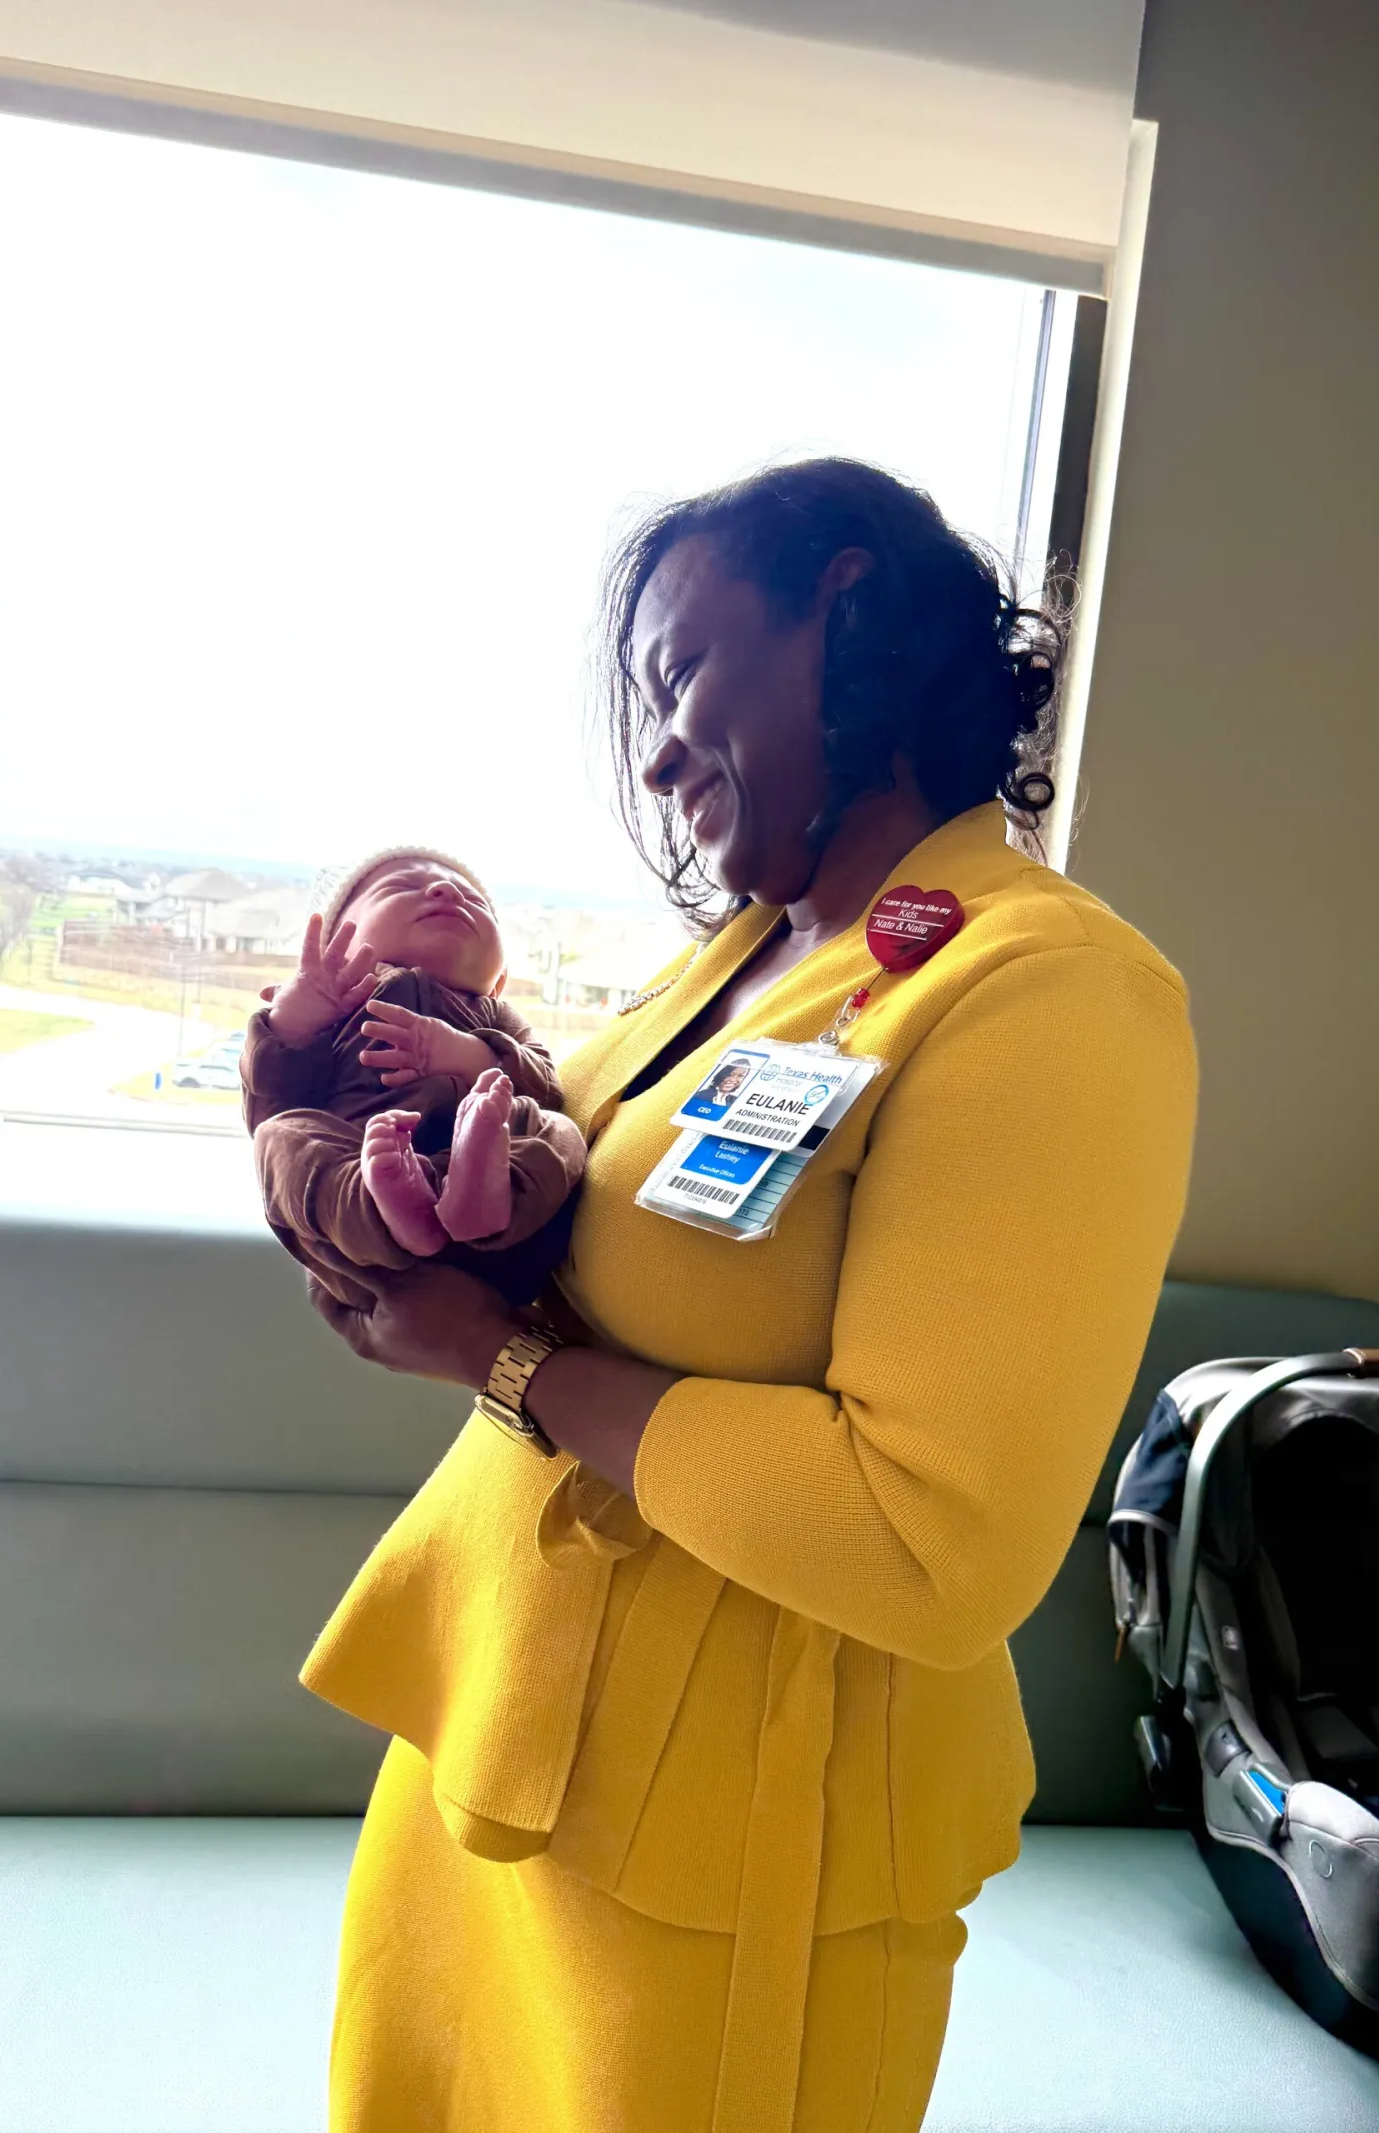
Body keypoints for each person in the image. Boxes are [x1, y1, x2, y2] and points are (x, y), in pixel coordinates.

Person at [300, 459, 1198, 2132]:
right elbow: (586, 1215)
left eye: (682, 674)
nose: (656, 750)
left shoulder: (1052, 995)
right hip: (493, 1738)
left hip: (726, 1843)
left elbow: (930, 1545)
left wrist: (503, 1361)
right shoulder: (749, 953)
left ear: (843, 609)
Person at [240, 848, 586, 1308]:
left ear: (499, 979)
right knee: (282, 1136)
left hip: (500, 1227)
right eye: (400, 887)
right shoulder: (331, 1008)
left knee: (556, 1130)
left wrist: (470, 1055)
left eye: (474, 902)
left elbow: (546, 1087)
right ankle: (381, 1204)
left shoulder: (496, 1015)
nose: (444, 892)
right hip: (365, 1230)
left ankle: (486, 1198)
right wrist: (290, 1025)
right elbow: (273, 1101)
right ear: (336, 952)